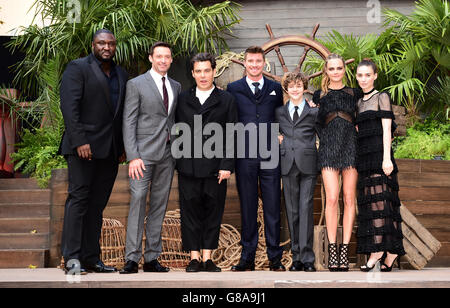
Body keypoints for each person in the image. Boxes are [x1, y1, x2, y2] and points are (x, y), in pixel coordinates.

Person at [59, 29, 128, 274]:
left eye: (110, 43)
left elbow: (119, 115)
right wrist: (79, 141)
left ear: (115, 46)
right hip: (83, 148)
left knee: (97, 206)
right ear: (93, 45)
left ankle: (91, 257)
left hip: (109, 151)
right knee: (78, 201)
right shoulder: (77, 68)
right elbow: (69, 107)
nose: (106, 47)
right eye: (101, 43)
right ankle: (72, 258)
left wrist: (120, 147)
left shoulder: (121, 73)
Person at [120, 42, 181, 274]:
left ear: (172, 60)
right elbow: (129, 121)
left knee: (159, 205)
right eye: (159, 56)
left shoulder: (176, 85)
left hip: (168, 154)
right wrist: (132, 156)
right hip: (142, 156)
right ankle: (132, 259)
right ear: (150, 58)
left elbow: (172, 119)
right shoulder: (136, 84)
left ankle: (152, 258)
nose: (163, 60)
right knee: (137, 201)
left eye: (167, 57)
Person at [174, 52, 238, 272]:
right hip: (188, 167)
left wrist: (227, 165)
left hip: (216, 168)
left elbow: (232, 134)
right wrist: (178, 160)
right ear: (192, 73)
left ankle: (208, 258)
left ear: (214, 71)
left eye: (207, 70)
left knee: (213, 212)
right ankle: (193, 258)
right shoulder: (182, 99)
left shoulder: (226, 100)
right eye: (198, 71)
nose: (203, 75)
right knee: (189, 212)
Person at [227, 46, 285, 272]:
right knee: (248, 206)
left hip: (270, 155)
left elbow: (281, 114)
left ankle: (275, 258)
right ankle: (247, 258)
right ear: (244, 63)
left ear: (264, 63)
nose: (254, 65)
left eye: (258, 61)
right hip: (245, 155)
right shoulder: (233, 88)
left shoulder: (275, 88)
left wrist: (281, 134)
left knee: (272, 206)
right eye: (250, 61)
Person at [312, 53, 361, 272]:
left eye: (339, 68)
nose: (335, 72)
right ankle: (332, 249)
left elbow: (362, 120)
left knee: (349, 199)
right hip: (329, 149)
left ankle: (344, 250)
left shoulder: (354, 93)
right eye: (331, 69)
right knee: (331, 198)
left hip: (351, 147)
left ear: (344, 70)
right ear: (326, 71)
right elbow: (315, 124)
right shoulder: (319, 95)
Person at [355, 58, 405, 272]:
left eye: (368, 75)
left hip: (380, 157)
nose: (364, 79)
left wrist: (386, 158)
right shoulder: (358, 102)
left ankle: (380, 252)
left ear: (375, 76)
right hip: (364, 159)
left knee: (384, 204)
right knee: (373, 205)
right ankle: (390, 252)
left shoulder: (381, 97)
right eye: (360, 75)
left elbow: (387, 130)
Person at [275, 72, 319, 272]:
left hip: (308, 164)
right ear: (286, 89)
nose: (295, 89)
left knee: (305, 210)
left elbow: (323, 134)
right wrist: (277, 138)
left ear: (304, 88)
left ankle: (308, 258)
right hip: (287, 164)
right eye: (291, 86)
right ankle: (297, 258)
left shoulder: (313, 112)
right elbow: (272, 131)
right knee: (291, 211)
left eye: (298, 85)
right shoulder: (279, 112)